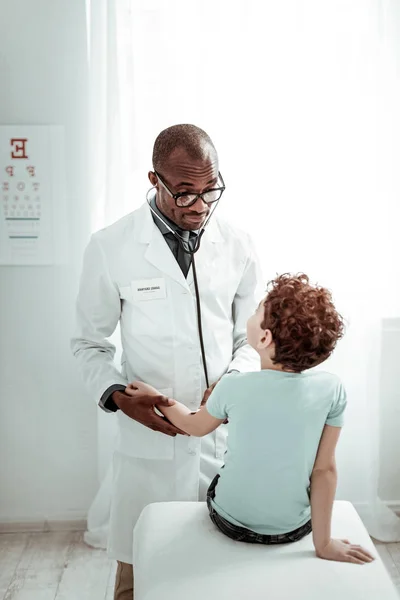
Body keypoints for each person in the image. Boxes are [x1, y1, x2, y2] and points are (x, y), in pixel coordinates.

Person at [71, 124, 262, 599]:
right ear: (154, 180)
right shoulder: (110, 246)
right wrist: (117, 397)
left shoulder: (238, 245)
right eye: (184, 192)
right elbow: (88, 344)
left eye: (210, 190)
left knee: (221, 578)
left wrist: (233, 382)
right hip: (147, 448)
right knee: (137, 583)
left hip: (221, 442)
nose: (199, 205)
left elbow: (254, 339)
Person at [126, 273, 375, 565]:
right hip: (293, 530)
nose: (253, 313)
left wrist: (158, 397)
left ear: (264, 337)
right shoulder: (332, 389)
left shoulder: (233, 386)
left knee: (223, 473)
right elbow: (325, 471)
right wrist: (324, 544)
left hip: (231, 522)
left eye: (258, 311)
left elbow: (194, 426)